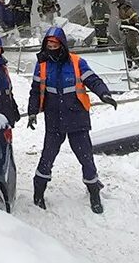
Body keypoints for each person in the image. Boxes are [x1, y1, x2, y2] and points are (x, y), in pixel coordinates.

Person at [28, 27, 118, 214]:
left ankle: (94, 192)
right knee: (47, 157)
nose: (51, 47)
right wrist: (32, 112)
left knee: (86, 157)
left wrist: (104, 94)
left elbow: (93, 80)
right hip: (54, 118)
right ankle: (38, 193)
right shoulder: (42, 65)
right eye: (48, 44)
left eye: (55, 44)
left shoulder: (77, 62)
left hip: (77, 117)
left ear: (62, 45)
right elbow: (36, 90)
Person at [118, 0, 139, 65]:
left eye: (116, 3)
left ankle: (138, 62)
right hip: (126, 30)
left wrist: (137, 24)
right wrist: (122, 26)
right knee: (126, 46)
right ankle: (129, 63)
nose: (116, 5)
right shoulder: (120, 10)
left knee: (132, 46)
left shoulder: (127, 8)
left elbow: (134, 16)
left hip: (132, 30)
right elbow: (123, 20)